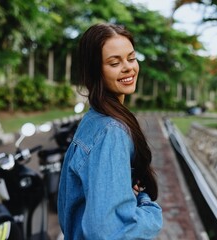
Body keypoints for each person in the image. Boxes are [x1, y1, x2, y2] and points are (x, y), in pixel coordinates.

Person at [57, 23, 163, 240]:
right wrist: (147, 207)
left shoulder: (92, 121)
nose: (128, 68)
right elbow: (108, 230)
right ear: (95, 70)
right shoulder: (111, 131)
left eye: (131, 58)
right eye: (114, 62)